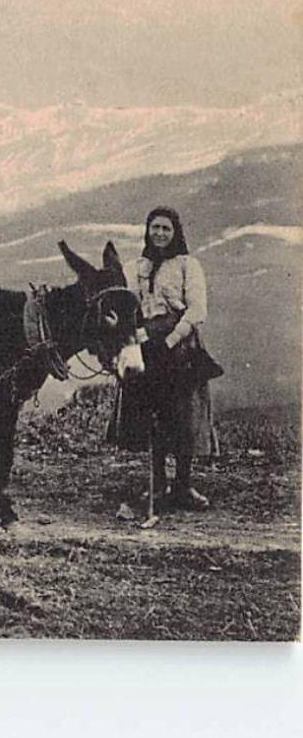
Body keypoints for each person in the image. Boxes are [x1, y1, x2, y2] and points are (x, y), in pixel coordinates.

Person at [111, 206, 222, 510]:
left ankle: (183, 486)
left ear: (175, 233)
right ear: (147, 231)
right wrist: (133, 335)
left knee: (184, 415)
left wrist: (170, 340)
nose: (159, 234)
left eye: (166, 229)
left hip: (180, 347)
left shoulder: (188, 265)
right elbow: (129, 307)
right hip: (147, 345)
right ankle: (158, 484)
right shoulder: (137, 267)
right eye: (155, 228)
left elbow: (197, 309)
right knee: (153, 416)